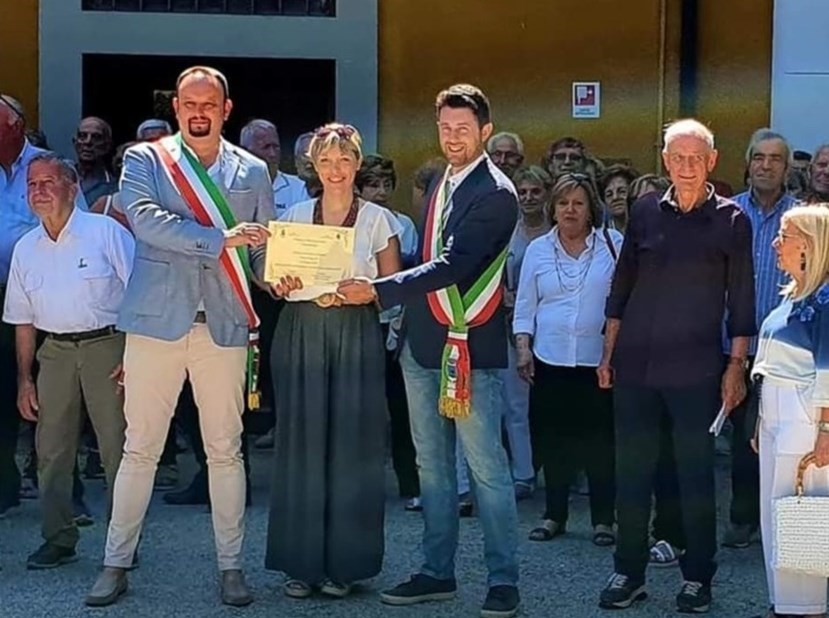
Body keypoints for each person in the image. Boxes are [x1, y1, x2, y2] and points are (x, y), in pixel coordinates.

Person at [85, 65, 273, 608]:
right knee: (140, 449)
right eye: (189, 104)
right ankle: (115, 563)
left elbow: (261, 249)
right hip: (155, 324)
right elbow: (146, 221)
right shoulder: (147, 159)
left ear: (226, 110)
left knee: (225, 451)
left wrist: (280, 275)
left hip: (224, 323)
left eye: (209, 105)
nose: (198, 113)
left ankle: (232, 567)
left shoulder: (253, 169)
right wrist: (221, 239)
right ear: (176, 108)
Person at [338, 83, 521, 618]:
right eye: (445, 128)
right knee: (432, 467)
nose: (453, 138)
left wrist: (378, 289)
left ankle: (503, 580)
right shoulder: (443, 179)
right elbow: (427, 254)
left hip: (470, 345)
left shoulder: (496, 192)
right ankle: (437, 571)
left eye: (463, 129)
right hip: (423, 343)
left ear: (485, 131)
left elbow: (455, 265)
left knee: (486, 469)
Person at [597, 119, 755, 613]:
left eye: (696, 158)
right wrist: (607, 353)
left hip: (696, 370)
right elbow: (621, 286)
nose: (687, 167)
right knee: (631, 473)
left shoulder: (732, 220)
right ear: (665, 161)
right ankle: (629, 571)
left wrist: (736, 367)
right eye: (678, 158)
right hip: (635, 365)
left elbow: (742, 301)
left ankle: (698, 577)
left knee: (695, 476)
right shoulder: (645, 211)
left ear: (712, 161)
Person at [265, 124, 401, 599]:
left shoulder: (380, 220)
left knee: (351, 444)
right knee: (301, 442)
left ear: (357, 164)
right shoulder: (295, 215)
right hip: (301, 330)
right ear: (313, 166)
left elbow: (392, 286)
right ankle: (300, 564)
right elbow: (273, 279)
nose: (335, 169)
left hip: (354, 331)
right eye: (326, 160)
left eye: (344, 159)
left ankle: (345, 565)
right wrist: (278, 283)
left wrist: (368, 292)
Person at [3, 153, 133, 569]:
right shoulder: (26, 248)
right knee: (51, 451)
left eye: (48, 182)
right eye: (32, 185)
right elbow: (22, 321)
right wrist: (25, 379)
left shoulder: (106, 232)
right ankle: (58, 537)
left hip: (107, 347)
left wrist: (134, 355)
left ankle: (122, 544)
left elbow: (139, 294)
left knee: (117, 448)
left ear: (72, 188)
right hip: (55, 352)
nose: (38, 191)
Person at [515, 173, 620, 546]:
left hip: (599, 361)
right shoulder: (538, 250)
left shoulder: (613, 244)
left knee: (600, 443)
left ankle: (604, 520)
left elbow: (624, 301)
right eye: (563, 203)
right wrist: (523, 347)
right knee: (553, 441)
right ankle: (554, 515)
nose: (570, 210)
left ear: (591, 208)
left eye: (578, 203)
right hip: (550, 358)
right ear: (553, 209)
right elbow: (525, 304)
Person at [0, 94, 86, 518]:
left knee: (54, 398)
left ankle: (66, 492)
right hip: (2, 294)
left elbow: (78, 228)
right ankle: (5, 486)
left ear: (16, 126)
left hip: (48, 295)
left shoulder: (48, 168)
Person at [751, 206, 829, 618]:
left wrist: (827, 429)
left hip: (804, 415)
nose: (776, 243)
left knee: (802, 510)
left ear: (809, 246)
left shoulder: (826, 299)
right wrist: (759, 421)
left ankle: (805, 606)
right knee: (775, 512)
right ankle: (783, 601)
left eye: (786, 236)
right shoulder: (794, 295)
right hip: (775, 413)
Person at [722, 129, 798, 551]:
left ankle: (769, 520)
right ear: (748, 164)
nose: (766, 165)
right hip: (726, 344)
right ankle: (742, 515)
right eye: (759, 158)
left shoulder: (800, 219)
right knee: (737, 438)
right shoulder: (727, 213)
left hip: (780, 352)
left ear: (787, 169)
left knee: (768, 439)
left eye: (775, 159)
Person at [356, 153, 421, 510]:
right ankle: (362, 485)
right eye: (372, 185)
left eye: (386, 185)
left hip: (395, 326)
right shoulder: (351, 222)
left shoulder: (404, 225)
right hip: (361, 324)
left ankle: (410, 482)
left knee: (401, 408)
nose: (381, 192)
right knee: (362, 409)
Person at [503, 165, 553, 500]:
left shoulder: (559, 230)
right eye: (522, 192)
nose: (528, 197)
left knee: (554, 405)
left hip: (551, 324)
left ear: (547, 193)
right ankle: (523, 473)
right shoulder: (508, 231)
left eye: (535, 191)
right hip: (512, 324)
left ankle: (565, 472)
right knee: (516, 404)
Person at [240, 119, 309, 217]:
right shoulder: (233, 186)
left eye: (276, 147)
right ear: (245, 151)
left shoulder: (300, 188)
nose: (272, 154)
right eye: (265, 147)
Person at [600, 164, 638, 233]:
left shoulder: (645, 228)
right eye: (609, 195)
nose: (615, 197)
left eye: (622, 191)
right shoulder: (600, 235)